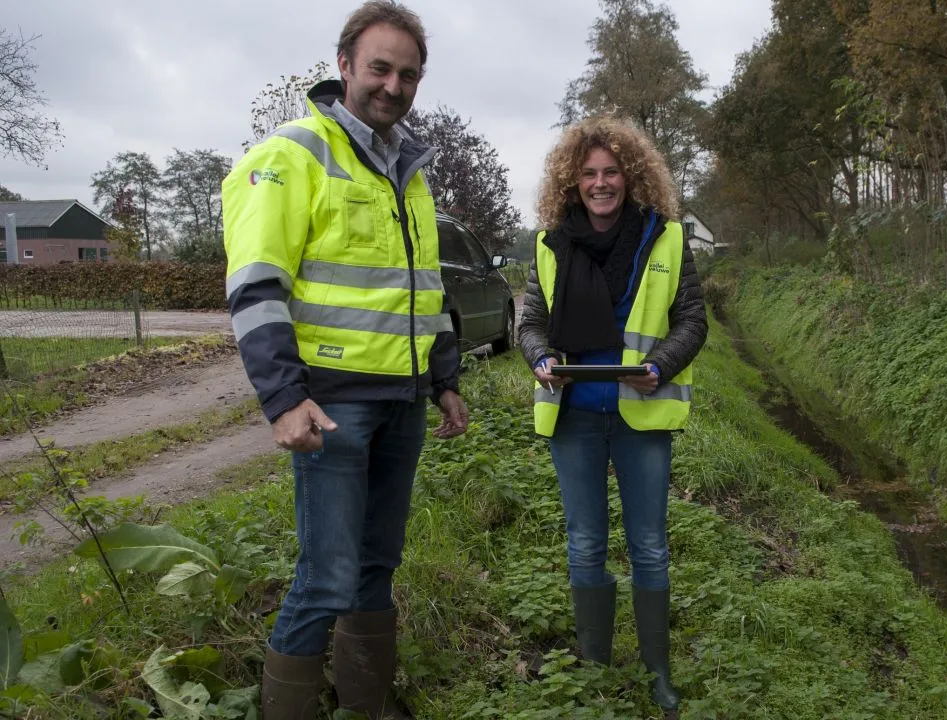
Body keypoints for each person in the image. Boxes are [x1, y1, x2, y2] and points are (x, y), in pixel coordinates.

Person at [221, 2, 467, 718]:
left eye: (408, 75)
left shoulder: (409, 171)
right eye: (380, 68)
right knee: (325, 578)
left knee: (377, 567)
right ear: (344, 66)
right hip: (332, 408)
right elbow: (257, 288)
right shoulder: (291, 155)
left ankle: (365, 707)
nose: (393, 86)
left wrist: (444, 381)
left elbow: (424, 288)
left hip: (402, 403)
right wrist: (282, 399)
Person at [517, 116, 708, 716]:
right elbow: (530, 323)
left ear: (631, 176)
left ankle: (658, 674)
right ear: (573, 182)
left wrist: (660, 365)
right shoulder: (550, 244)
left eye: (611, 172)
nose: (601, 183)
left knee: (649, 545)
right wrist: (540, 357)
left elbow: (692, 320)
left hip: (642, 415)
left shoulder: (666, 237)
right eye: (589, 173)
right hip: (573, 416)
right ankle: (595, 671)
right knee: (585, 543)